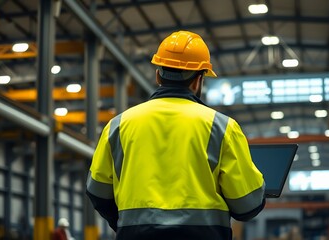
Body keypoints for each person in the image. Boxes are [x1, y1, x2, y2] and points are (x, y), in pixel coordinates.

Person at [86, 30, 266, 240]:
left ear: (158, 75)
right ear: (199, 79)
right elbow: (247, 205)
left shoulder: (118, 125)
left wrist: (129, 225)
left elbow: (97, 191)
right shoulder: (222, 127)